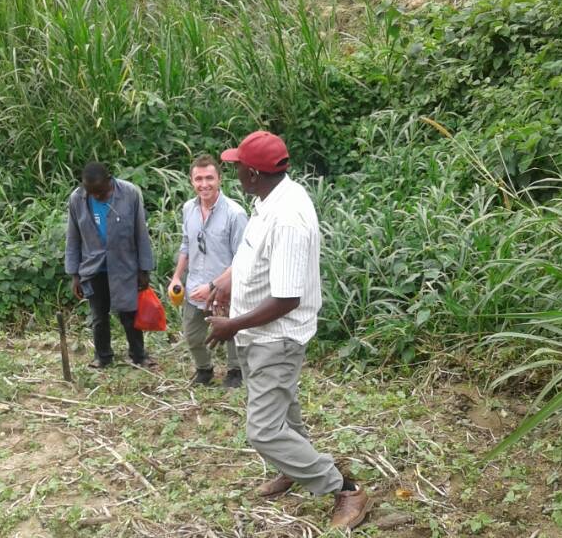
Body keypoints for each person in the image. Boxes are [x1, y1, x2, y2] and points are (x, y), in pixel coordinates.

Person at [204, 131, 371, 529]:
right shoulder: (269, 199)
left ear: (253, 173)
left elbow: (286, 299)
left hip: (275, 337)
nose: (233, 170)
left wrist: (232, 325)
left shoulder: (289, 217)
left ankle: (345, 488)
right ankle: (294, 468)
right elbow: (255, 260)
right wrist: (227, 283)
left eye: (237, 166)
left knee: (263, 431)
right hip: (259, 334)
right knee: (285, 414)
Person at [65, 162, 157, 369]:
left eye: (101, 191)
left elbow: (140, 233)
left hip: (125, 264)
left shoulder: (129, 194)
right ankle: (103, 356)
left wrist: (144, 269)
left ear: (109, 181)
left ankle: (138, 355)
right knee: (98, 316)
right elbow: (73, 238)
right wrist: (74, 274)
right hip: (94, 267)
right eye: (92, 192)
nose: (97, 196)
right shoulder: (77, 199)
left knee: (129, 313)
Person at [168, 155, 248, 388]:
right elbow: (186, 245)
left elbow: (243, 258)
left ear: (220, 180)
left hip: (225, 288)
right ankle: (204, 369)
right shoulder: (188, 209)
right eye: (199, 179)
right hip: (194, 287)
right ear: (192, 181)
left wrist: (215, 286)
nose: (204, 184)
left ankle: (235, 371)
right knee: (193, 335)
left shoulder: (235, 214)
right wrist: (176, 277)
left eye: (209, 178)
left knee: (232, 332)